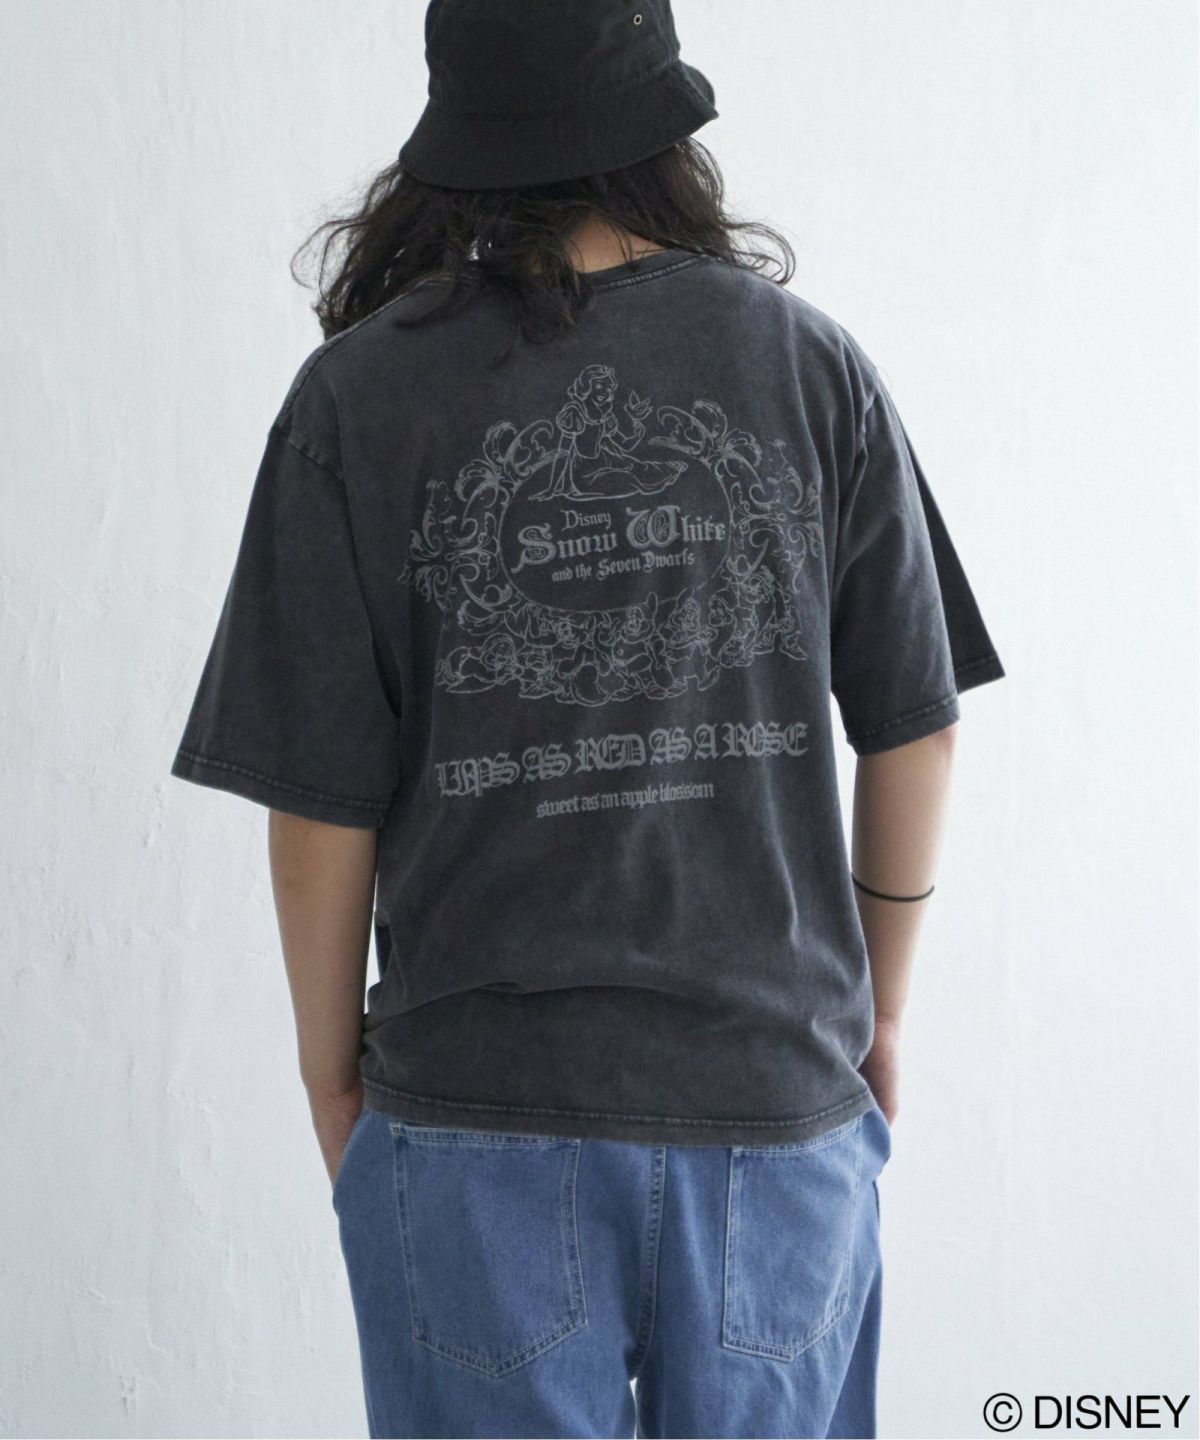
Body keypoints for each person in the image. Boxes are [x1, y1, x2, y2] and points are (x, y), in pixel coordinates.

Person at [170, 2, 1006, 1436]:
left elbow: (318, 798)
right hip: (772, 1106)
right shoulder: (810, 367)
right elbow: (916, 730)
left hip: (474, 1118)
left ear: (460, 142)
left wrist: (329, 1078)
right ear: (659, 127)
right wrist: (879, 1012)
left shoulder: (357, 401)